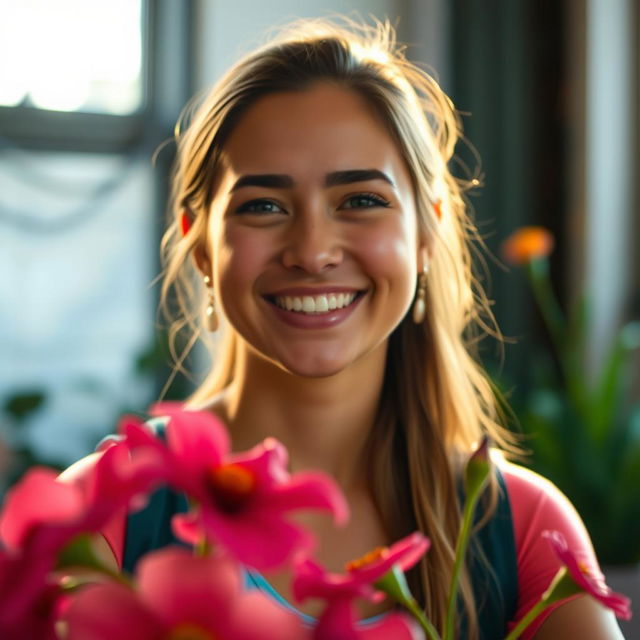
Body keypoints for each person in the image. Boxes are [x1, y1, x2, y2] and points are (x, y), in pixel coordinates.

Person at [62, 17, 624, 639]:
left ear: (427, 234)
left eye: (360, 200)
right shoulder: (107, 509)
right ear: (200, 245)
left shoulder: (520, 527)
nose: (311, 250)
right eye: (263, 206)